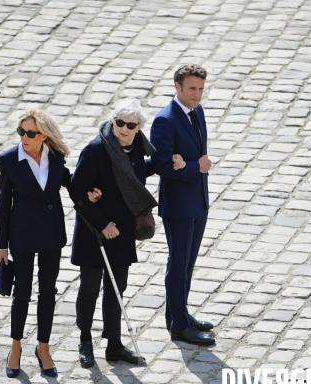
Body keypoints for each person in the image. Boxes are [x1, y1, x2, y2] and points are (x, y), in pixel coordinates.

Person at [69, 98, 186, 368]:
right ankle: (85, 341)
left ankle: (114, 345)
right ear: (113, 122)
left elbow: (139, 173)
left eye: (130, 125)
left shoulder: (136, 151)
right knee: (89, 289)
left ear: (137, 128)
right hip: (94, 231)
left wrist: (170, 160)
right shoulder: (96, 149)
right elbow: (77, 189)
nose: (123, 129)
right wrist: (102, 224)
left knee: (116, 290)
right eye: (119, 123)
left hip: (121, 231)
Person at [0, 109, 101, 378]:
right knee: (22, 294)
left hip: (51, 234)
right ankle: (15, 347)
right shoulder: (9, 160)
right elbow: (4, 205)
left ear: (43, 135)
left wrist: (88, 192)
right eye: (21, 131)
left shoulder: (55, 156)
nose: (24, 137)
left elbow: (68, 182)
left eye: (30, 133)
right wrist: (2, 246)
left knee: (48, 292)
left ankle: (43, 348)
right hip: (21, 235)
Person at [150, 64, 215, 346]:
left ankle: (180, 314)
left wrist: (188, 165)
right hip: (177, 206)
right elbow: (162, 165)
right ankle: (179, 325)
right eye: (192, 89)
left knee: (188, 264)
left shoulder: (196, 110)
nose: (197, 94)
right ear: (177, 87)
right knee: (178, 265)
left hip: (198, 201)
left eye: (200, 89)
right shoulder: (165, 120)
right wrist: (194, 167)